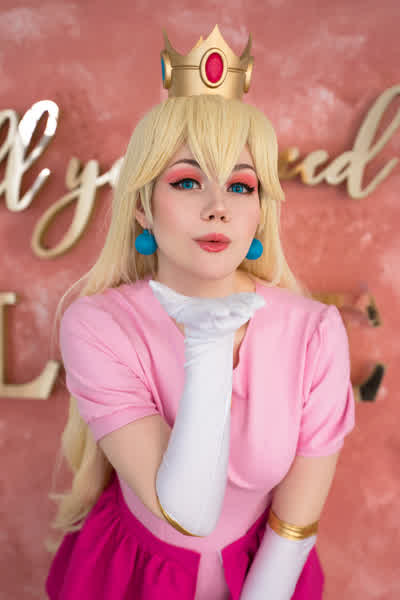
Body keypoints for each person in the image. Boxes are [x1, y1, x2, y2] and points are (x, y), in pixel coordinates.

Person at [44, 24, 355, 600]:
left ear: (259, 212)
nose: (218, 208)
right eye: (188, 182)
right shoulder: (97, 324)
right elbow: (190, 512)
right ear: (143, 206)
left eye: (240, 187)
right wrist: (208, 347)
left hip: (266, 571)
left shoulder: (313, 332)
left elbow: (293, 526)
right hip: (131, 575)